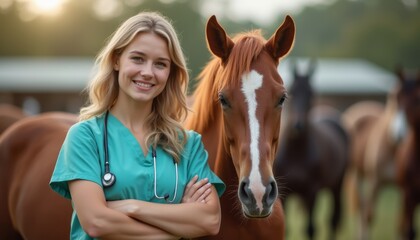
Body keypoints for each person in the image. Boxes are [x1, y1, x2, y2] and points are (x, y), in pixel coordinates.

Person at [50, 11, 225, 240]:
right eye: (138, 59)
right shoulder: (85, 137)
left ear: (170, 72)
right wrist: (178, 224)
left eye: (160, 64)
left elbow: (210, 221)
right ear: (116, 60)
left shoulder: (188, 145)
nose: (147, 72)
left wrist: (131, 207)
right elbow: (96, 222)